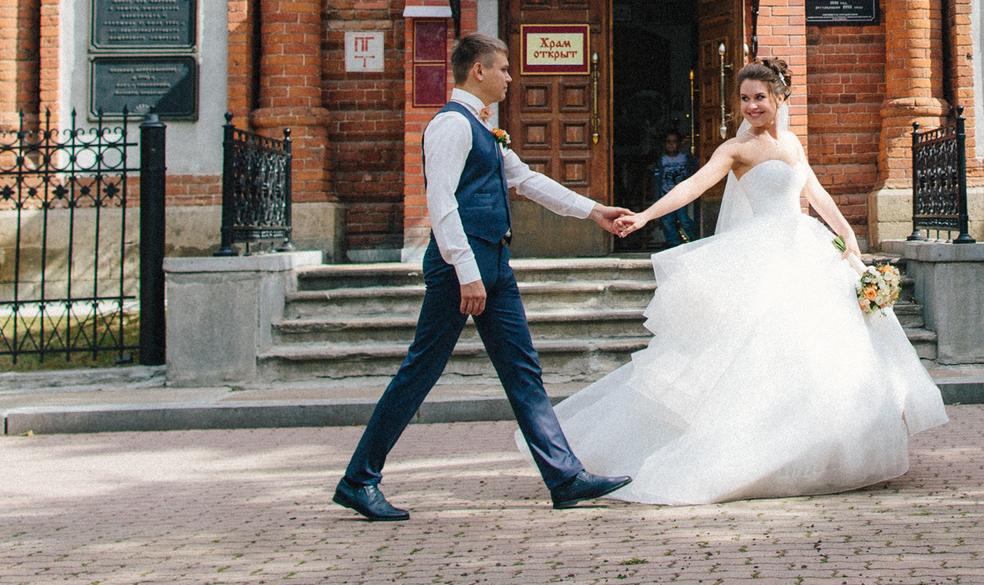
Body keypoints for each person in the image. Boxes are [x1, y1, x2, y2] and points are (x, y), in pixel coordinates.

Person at [547, 58, 948, 503]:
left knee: (821, 352)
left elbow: (814, 192)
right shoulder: (736, 150)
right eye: (744, 99)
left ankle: (816, 450)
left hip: (805, 250)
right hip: (763, 254)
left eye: (760, 97)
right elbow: (693, 187)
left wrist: (848, 235)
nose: (751, 106)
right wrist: (644, 216)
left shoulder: (794, 143)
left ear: (780, 98)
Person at [333, 32, 633, 520]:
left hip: (494, 264)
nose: (511, 78)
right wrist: (467, 273)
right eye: (504, 69)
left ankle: (564, 477)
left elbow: (525, 180)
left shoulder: (481, 128)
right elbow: (441, 204)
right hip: (461, 268)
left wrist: (592, 210)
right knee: (420, 372)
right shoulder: (450, 126)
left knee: (523, 370)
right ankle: (358, 480)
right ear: (479, 71)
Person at [649, 131, 695, 246]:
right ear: (664, 144)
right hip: (666, 195)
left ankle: (695, 240)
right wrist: (658, 197)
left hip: (682, 195)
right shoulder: (662, 161)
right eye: (668, 142)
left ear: (679, 144)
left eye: (674, 142)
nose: (671, 145)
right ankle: (672, 243)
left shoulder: (685, 159)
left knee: (684, 218)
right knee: (667, 220)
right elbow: (657, 180)